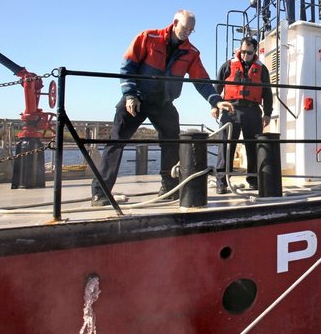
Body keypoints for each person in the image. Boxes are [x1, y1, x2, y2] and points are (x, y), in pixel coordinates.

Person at [91, 10, 233, 205]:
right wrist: (130, 95)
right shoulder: (148, 37)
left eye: (192, 31)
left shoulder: (191, 52)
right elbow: (127, 66)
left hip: (163, 103)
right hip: (137, 99)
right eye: (185, 28)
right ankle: (100, 193)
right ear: (175, 22)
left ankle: (168, 187)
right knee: (116, 142)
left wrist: (215, 100)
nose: (187, 33)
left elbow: (201, 80)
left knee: (172, 141)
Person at [214, 37, 273, 193]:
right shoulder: (228, 65)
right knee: (226, 146)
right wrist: (214, 106)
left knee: (253, 147)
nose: (245, 55)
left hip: (252, 111)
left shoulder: (262, 69)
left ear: (255, 52)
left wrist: (267, 113)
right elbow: (217, 87)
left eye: (249, 53)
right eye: (243, 51)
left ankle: (253, 179)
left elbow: (267, 93)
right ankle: (221, 181)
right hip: (230, 110)